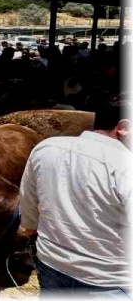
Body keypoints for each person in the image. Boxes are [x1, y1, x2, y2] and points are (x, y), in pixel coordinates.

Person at [19, 95, 130, 294]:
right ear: (123, 127)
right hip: (109, 280)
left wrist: (32, 228)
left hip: (52, 263)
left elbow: (28, 204)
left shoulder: (47, 148)